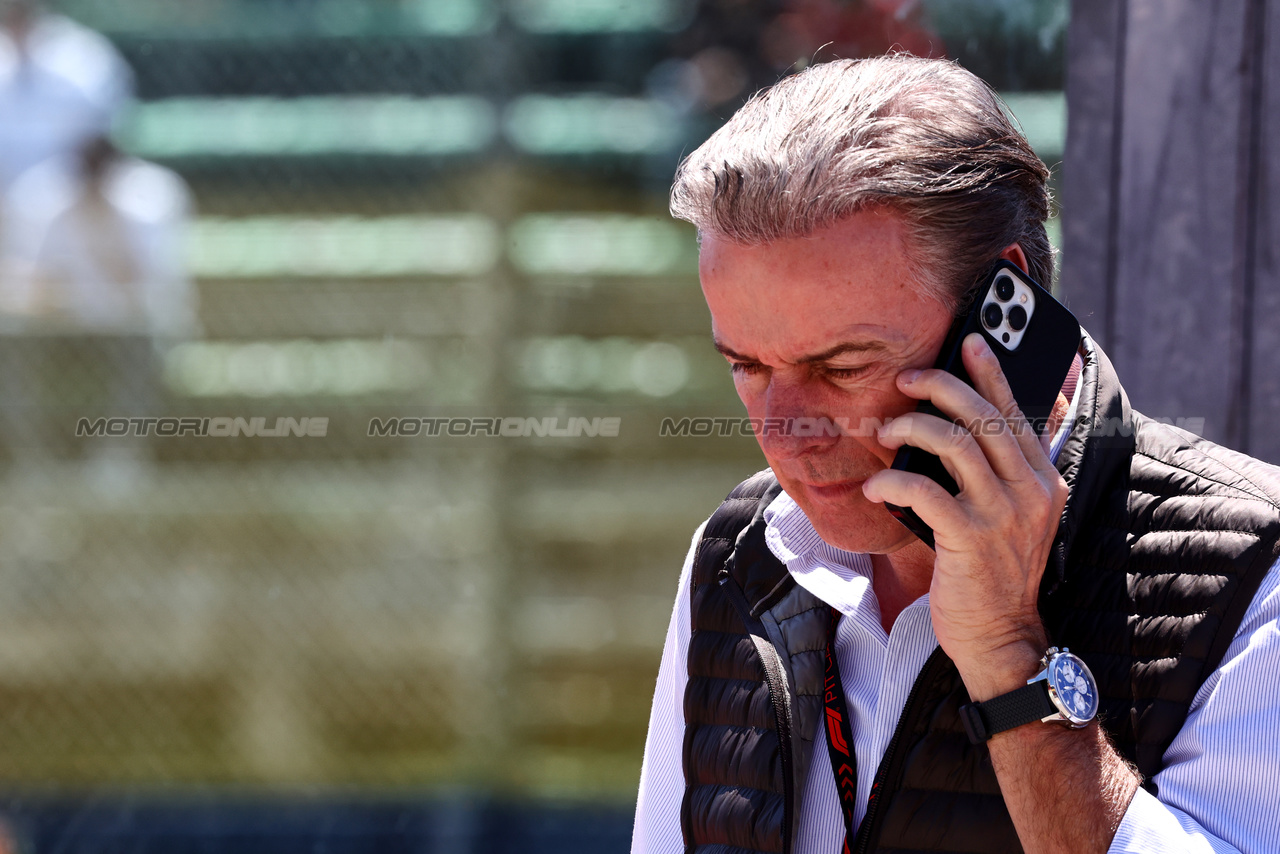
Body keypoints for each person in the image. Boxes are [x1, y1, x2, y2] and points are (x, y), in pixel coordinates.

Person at [632, 55, 1280, 854]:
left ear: (1004, 313)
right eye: (747, 367)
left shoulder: (1258, 579)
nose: (786, 428)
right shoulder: (738, 552)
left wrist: (1012, 659)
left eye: (842, 368)